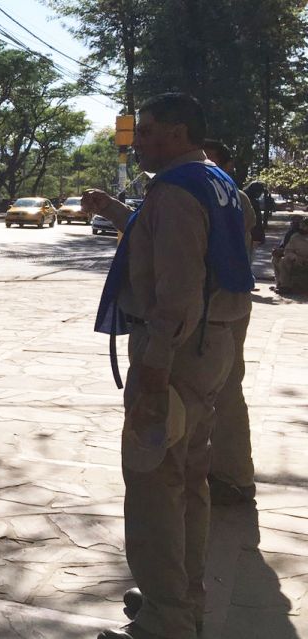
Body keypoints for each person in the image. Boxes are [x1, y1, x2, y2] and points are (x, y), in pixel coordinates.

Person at [83, 93, 253, 639]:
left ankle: (165, 620)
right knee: (189, 478)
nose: (140, 140)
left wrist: (154, 367)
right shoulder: (218, 183)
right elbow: (187, 246)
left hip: (174, 355)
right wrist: (118, 212)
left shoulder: (177, 190)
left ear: (178, 133)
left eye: (149, 130)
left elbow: (178, 290)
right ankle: (182, 597)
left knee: (155, 481)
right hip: (211, 349)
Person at [202, 140, 259, 506]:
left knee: (218, 390)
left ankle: (230, 477)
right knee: (225, 388)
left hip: (216, 306)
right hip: (233, 299)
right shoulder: (235, 195)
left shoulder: (210, 191)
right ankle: (232, 472)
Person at [272, 215, 308, 294]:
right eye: (301, 226)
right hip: (297, 259)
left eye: (304, 226)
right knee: (283, 260)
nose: (302, 228)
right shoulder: (295, 236)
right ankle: (283, 285)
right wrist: (293, 256)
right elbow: (288, 250)